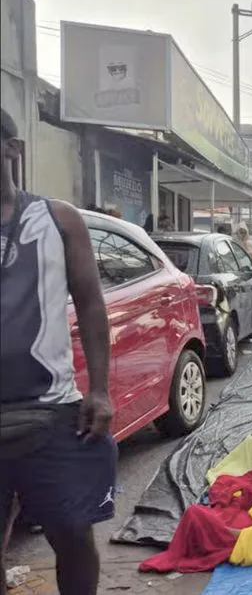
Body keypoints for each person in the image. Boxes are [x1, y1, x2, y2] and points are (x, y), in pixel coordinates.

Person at [1, 106, 116, 595]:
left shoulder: (57, 219)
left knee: (71, 535)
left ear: (11, 150)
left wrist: (101, 390)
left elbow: (91, 305)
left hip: (51, 413)